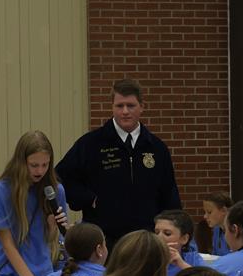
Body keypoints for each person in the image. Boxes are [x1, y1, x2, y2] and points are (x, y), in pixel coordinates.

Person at [56, 79, 181, 251]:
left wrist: (177, 231)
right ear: (112, 107)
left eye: (131, 105)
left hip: (146, 241)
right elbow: (61, 176)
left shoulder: (157, 148)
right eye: (119, 106)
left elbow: (170, 195)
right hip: (103, 242)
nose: (125, 112)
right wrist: (89, 199)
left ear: (142, 107)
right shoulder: (91, 144)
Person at [0, 131, 68, 276]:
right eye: (34, 165)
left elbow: (54, 242)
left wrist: (53, 228)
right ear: (21, 162)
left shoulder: (55, 190)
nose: (40, 171)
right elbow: (7, 245)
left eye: (45, 165)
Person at [154, 210, 204, 276]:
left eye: (167, 233)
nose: (159, 237)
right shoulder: (148, 256)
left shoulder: (192, 257)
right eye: (156, 232)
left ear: (184, 239)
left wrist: (181, 264)